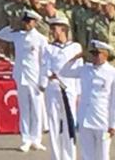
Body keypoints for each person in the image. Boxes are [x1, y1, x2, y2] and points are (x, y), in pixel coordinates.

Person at [61, 40, 115, 160]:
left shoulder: (113, 74)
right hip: (85, 119)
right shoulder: (85, 69)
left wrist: (114, 124)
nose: (94, 57)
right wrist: (75, 58)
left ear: (105, 55)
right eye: (93, 54)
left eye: (97, 54)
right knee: (87, 155)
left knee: (103, 155)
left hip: (103, 121)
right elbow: (64, 72)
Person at [0, 9, 48, 152]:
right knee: (24, 109)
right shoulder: (18, 36)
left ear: (35, 23)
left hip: (35, 78)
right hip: (21, 76)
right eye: (24, 21)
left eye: (29, 22)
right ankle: (26, 139)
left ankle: (36, 139)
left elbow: (44, 62)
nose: (26, 24)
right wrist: (12, 26)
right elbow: (0, 35)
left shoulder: (41, 39)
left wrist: (43, 80)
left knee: (37, 110)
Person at [39, 16, 82, 160]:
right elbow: (44, 67)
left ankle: (69, 157)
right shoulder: (49, 48)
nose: (53, 31)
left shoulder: (75, 47)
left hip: (69, 89)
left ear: (63, 29)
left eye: (55, 28)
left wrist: (79, 93)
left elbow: (79, 70)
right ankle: (56, 157)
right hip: (53, 89)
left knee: (70, 124)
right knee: (54, 124)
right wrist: (46, 79)